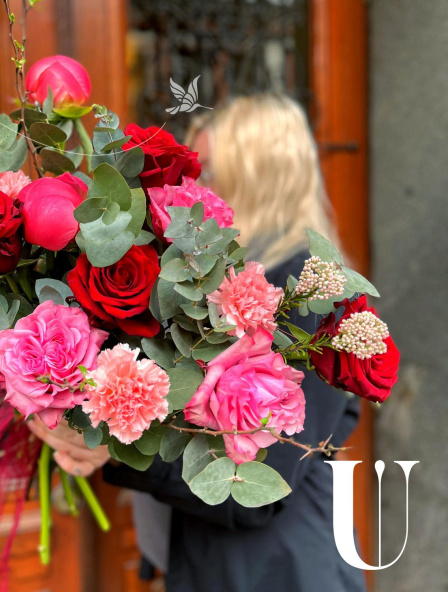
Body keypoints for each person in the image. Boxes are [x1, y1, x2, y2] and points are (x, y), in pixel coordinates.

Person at [27, 94, 367, 592]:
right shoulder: (215, 281)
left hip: (278, 570)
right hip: (218, 560)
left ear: (260, 178)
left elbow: (261, 488)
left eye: (208, 175)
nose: (190, 191)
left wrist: (117, 451)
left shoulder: (312, 297)